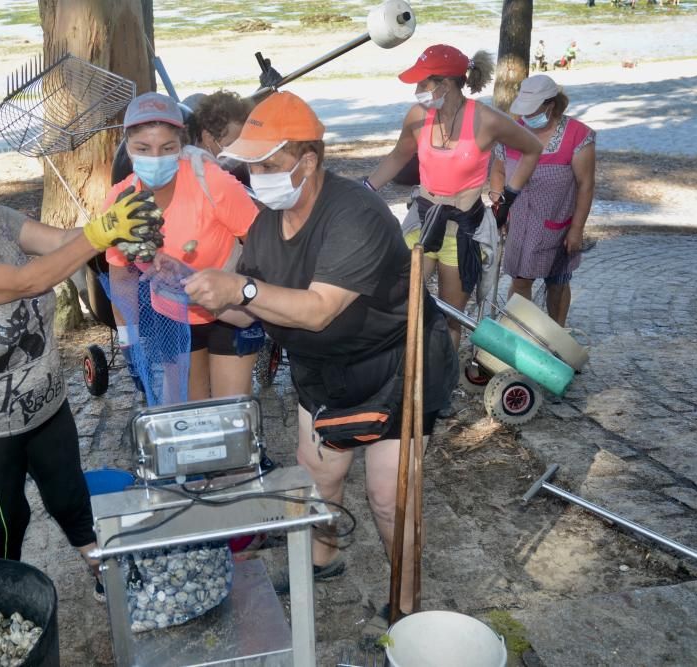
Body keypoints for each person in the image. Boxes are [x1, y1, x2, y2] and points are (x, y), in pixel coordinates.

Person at [182, 91, 458, 618]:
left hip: (396, 363)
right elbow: (251, 311)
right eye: (251, 165)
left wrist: (239, 289)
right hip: (321, 369)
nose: (256, 176)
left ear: (307, 161)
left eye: (269, 165)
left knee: (387, 497)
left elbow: (316, 310)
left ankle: (405, 606)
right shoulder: (266, 223)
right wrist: (199, 294)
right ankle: (323, 556)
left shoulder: (354, 213)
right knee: (318, 478)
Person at [0, 154, 161, 601]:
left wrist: (114, 232)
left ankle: (101, 569)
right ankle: (3, 597)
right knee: (7, 516)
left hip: (45, 401)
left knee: (69, 493)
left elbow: (61, 241)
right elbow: (29, 281)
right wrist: (102, 233)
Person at [364, 44, 543, 350]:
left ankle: (442, 381)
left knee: (451, 316)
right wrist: (364, 190)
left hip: (462, 229)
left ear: (445, 84)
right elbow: (397, 157)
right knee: (401, 302)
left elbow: (532, 149)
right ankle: (407, 372)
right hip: (422, 219)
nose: (416, 91)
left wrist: (508, 197)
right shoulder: (417, 116)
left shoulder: (486, 119)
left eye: (423, 84)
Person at [106, 92, 262, 401]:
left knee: (230, 413)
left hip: (229, 311)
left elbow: (260, 240)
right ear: (127, 148)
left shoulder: (212, 182)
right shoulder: (118, 201)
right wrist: (129, 341)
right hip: (174, 315)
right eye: (142, 148)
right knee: (189, 414)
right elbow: (121, 276)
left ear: (182, 145)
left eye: (167, 148)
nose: (155, 157)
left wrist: (256, 296)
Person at [490, 75, 596, 326]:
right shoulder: (512, 130)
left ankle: (556, 335)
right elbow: (498, 171)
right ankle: (518, 332)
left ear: (550, 105)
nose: (526, 117)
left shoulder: (578, 135)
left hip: (557, 221)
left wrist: (577, 229)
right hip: (519, 221)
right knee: (520, 280)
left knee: (557, 281)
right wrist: (498, 208)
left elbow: (586, 185)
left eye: (532, 110)